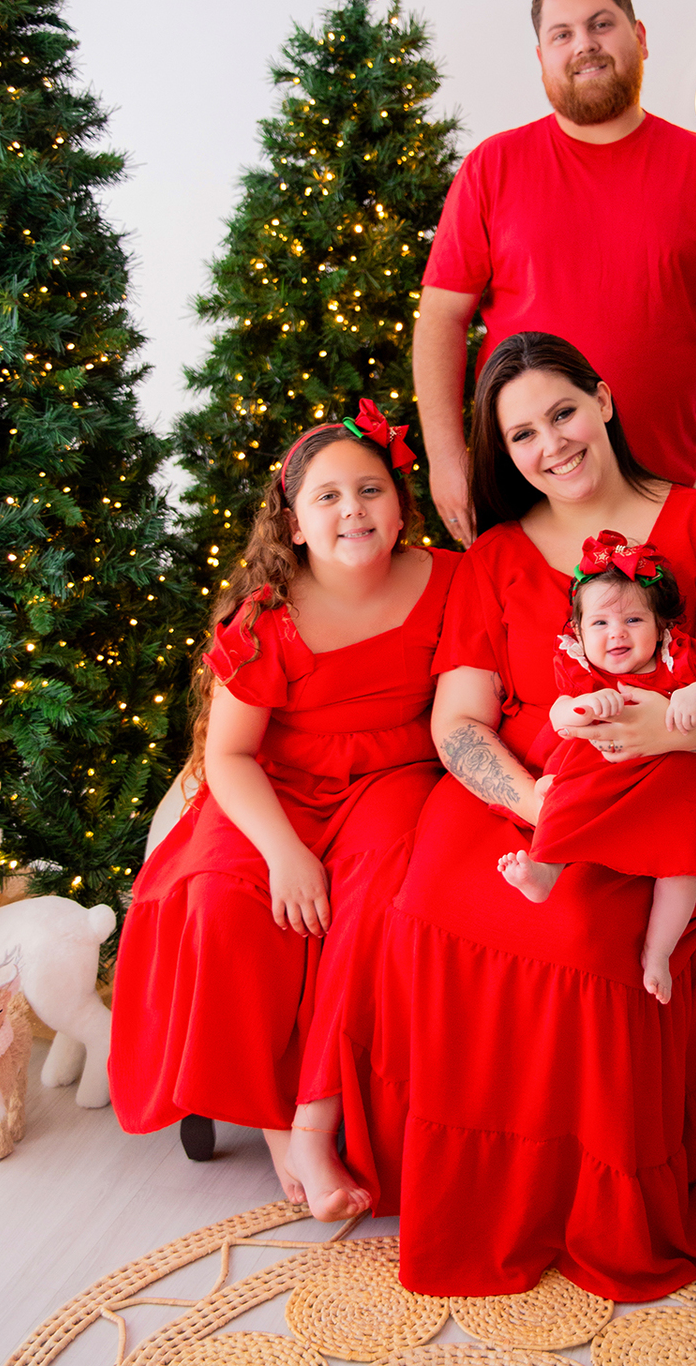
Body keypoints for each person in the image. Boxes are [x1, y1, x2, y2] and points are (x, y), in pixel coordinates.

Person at [378, 332, 696, 1299]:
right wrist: (537, 805)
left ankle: (595, 1206)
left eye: (562, 412)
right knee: (433, 908)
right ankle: (477, 1202)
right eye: (521, 434)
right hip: (528, 786)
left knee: (578, 939)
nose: (550, 444)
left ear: (603, 400)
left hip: (663, 788)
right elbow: (457, 722)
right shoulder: (494, 556)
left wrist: (669, 737)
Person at [109, 400, 458, 1222]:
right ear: (295, 525)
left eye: (370, 490)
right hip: (277, 785)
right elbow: (229, 756)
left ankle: (314, 1118)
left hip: (392, 775)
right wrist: (285, 854)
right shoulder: (267, 615)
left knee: (376, 901)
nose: (352, 510)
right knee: (220, 901)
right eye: (327, 497)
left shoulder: (449, 580)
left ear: (401, 507)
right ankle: (273, 1125)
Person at [413, 0, 696, 542]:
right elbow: (440, 319)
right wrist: (446, 457)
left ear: (640, 37)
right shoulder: (492, 168)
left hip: (661, 488)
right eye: (563, 34)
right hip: (521, 492)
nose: (584, 44)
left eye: (601, 24)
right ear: (542, 58)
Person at [498, 529, 696, 1006]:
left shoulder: (676, 662)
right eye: (599, 623)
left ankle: (658, 952)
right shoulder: (585, 672)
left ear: (660, 628)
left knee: (683, 863)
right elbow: (559, 718)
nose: (616, 633)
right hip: (599, 776)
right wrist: (584, 708)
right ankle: (547, 870)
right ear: (579, 634)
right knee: (564, 799)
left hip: (671, 783)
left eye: (633, 619)